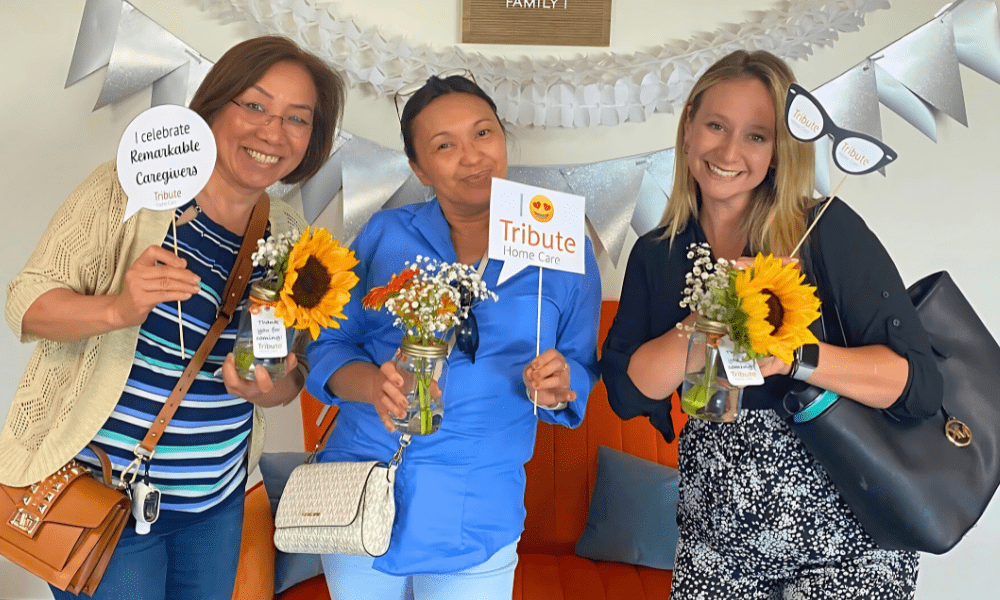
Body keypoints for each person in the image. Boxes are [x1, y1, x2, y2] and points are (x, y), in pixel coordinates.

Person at [1, 35, 345, 599]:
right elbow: (26, 303)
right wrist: (118, 307)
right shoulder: (130, 193)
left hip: (215, 505)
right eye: (254, 106)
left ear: (312, 138)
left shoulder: (291, 237)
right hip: (105, 494)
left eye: (297, 118)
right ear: (213, 107)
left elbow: (291, 375)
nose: (271, 132)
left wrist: (269, 386)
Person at [599, 50, 943, 599]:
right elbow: (628, 391)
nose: (729, 152)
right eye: (715, 126)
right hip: (717, 552)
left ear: (781, 150)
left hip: (845, 552)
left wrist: (796, 356)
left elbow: (915, 386)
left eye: (757, 136)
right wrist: (703, 319)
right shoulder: (657, 254)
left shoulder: (823, 229)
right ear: (689, 125)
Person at [305, 73, 601, 599]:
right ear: (418, 167)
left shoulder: (561, 245)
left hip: (476, 507)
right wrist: (374, 385)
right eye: (445, 146)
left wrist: (561, 382)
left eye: (483, 134)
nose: (472, 157)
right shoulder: (385, 233)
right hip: (361, 489)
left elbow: (579, 363)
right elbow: (328, 347)